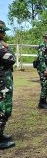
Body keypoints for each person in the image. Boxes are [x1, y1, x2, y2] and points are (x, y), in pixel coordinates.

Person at [0, 20, 16, 149]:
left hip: (3, 82)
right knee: (4, 109)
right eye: (3, 32)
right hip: (2, 84)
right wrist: (7, 47)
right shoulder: (1, 47)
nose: (4, 34)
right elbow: (11, 59)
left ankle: (0, 134)